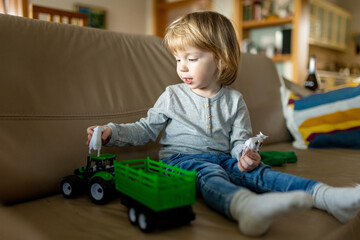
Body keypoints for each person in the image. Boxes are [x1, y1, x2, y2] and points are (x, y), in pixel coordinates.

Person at [87, 11, 360, 237]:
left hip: (222, 157)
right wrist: (113, 131)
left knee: (260, 173)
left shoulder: (234, 100)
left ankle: (327, 197)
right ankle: (246, 208)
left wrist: (245, 154)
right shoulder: (172, 95)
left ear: (220, 59)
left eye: (191, 59)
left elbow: (239, 140)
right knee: (208, 174)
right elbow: (145, 129)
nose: (182, 67)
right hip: (181, 161)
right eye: (177, 60)